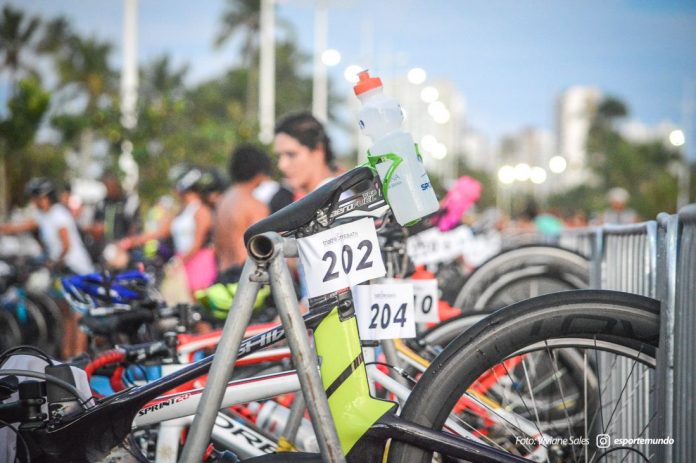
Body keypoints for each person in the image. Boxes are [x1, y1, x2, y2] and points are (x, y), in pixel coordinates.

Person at [0, 177, 95, 358]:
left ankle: (80, 356)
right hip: (63, 270)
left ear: (44, 197)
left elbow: (66, 245)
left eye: (35, 197)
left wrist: (52, 261)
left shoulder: (59, 214)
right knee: (67, 314)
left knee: (78, 316)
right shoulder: (43, 216)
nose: (33, 202)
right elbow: (20, 226)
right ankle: (68, 356)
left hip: (77, 270)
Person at [120, 167, 217, 295]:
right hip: (181, 262)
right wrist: (131, 241)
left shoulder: (201, 211)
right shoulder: (181, 211)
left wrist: (179, 261)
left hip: (198, 262)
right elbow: (159, 232)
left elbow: (198, 242)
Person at [215, 145, 271, 283]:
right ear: (260, 173)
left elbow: (217, 246)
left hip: (223, 276)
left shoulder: (222, 202)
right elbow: (264, 250)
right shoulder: (255, 205)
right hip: (248, 279)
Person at [274, 112, 338, 199]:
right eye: (278, 157)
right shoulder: (314, 201)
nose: (282, 165)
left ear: (317, 151)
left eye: (291, 155)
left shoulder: (340, 203)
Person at [85, 172, 140, 258]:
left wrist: (125, 242)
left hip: (123, 248)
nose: (110, 190)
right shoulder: (102, 203)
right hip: (104, 247)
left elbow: (134, 226)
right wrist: (95, 229)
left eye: (111, 187)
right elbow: (94, 223)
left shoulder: (128, 202)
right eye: (107, 187)